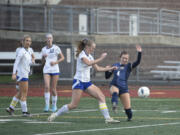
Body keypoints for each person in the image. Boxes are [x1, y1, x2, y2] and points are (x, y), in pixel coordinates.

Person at [48, 39, 120, 123]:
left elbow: (98, 68)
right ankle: (55, 114)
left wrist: (111, 68)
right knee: (73, 105)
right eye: (92, 47)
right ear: (87, 47)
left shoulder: (90, 56)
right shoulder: (82, 55)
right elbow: (88, 63)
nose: (93, 49)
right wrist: (101, 58)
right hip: (79, 82)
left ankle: (108, 118)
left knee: (101, 97)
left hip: (87, 82)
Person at [105, 45, 142, 121]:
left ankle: (129, 117)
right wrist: (107, 70)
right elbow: (107, 77)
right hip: (114, 85)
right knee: (115, 92)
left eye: (126, 58)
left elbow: (138, 62)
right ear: (120, 58)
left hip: (124, 88)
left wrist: (139, 52)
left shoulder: (129, 66)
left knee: (128, 110)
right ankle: (114, 104)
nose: (125, 60)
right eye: (123, 58)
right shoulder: (114, 65)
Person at [6, 35, 34, 116]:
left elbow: (29, 61)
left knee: (20, 92)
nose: (28, 42)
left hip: (25, 73)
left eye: (29, 41)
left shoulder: (29, 50)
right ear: (23, 42)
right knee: (24, 94)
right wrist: (14, 73)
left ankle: (11, 108)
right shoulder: (21, 51)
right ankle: (24, 112)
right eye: (27, 40)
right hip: (22, 74)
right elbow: (16, 63)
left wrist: (32, 61)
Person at [41, 33, 65, 112]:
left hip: (55, 70)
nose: (49, 39)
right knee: (47, 87)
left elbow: (62, 58)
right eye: (47, 38)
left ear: (52, 39)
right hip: (47, 70)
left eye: (50, 38)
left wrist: (55, 62)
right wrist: (43, 58)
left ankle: (54, 106)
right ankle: (47, 105)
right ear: (46, 40)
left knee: (53, 89)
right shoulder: (43, 49)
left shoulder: (56, 48)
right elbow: (42, 62)